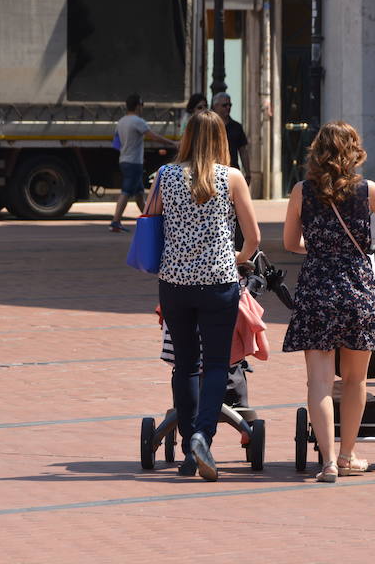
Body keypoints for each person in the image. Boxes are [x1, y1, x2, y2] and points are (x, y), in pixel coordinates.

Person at [282, 121, 375, 483]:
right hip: (357, 288)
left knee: (319, 383)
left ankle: (325, 462)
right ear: (353, 151)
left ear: (317, 151)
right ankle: (347, 455)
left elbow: (292, 243)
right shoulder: (367, 190)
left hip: (317, 289)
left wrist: (322, 248)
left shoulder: (301, 191)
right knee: (356, 380)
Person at [147, 109, 260, 481]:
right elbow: (253, 237)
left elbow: (150, 220)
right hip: (218, 281)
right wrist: (238, 259)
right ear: (221, 139)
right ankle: (202, 436)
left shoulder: (165, 176)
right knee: (216, 365)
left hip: (175, 282)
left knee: (184, 365)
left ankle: (187, 452)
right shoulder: (232, 178)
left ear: (187, 137)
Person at [110, 94, 178, 232]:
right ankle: (115, 221)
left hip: (124, 159)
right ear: (137, 106)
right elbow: (153, 136)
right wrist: (172, 143)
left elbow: (116, 143)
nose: (142, 108)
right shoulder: (137, 121)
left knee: (139, 193)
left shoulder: (121, 121)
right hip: (134, 162)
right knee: (127, 191)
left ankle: (149, 219)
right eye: (141, 105)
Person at [211, 92, 250, 184]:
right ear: (215, 106)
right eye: (224, 105)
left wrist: (248, 173)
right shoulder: (209, 126)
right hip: (213, 172)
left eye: (230, 105)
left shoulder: (237, 127)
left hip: (232, 171)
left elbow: (243, 150)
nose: (228, 107)